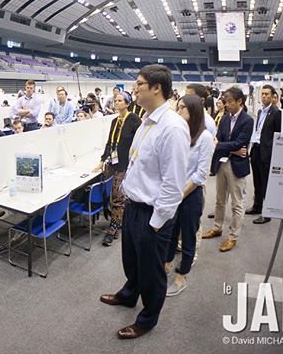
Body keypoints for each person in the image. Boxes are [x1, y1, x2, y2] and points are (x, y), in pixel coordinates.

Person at [100, 65, 189, 340]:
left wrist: (156, 222)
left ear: (156, 88)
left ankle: (147, 318)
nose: (133, 88)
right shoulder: (147, 120)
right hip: (134, 206)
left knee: (152, 272)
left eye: (139, 84)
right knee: (133, 261)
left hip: (153, 214)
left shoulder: (172, 128)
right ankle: (128, 295)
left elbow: (174, 185)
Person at [164, 94, 214, 296]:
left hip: (190, 194)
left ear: (193, 111)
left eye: (182, 108)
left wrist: (179, 195)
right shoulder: (179, 133)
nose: (178, 112)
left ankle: (181, 277)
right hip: (175, 191)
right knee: (170, 233)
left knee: (188, 237)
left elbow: (200, 174)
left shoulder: (205, 137)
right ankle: (166, 266)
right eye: (178, 107)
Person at [202, 86, 254, 252]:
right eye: (226, 101)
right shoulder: (224, 118)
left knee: (236, 203)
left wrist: (225, 146)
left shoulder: (247, 120)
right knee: (219, 199)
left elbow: (240, 143)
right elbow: (217, 140)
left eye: (230, 101)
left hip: (237, 166)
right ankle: (217, 227)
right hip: (222, 163)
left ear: (240, 101)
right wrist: (232, 149)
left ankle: (233, 237)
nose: (227, 104)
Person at [93, 92, 142, 246]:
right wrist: (101, 162)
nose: (116, 103)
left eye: (120, 100)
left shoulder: (134, 120)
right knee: (110, 194)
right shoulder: (114, 121)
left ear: (127, 103)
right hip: (112, 163)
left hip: (125, 164)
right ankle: (117, 219)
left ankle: (113, 229)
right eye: (115, 100)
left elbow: (139, 142)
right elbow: (110, 143)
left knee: (117, 197)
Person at [246, 85, 281, 224]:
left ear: (273, 97)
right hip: (256, 149)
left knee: (266, 183)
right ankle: (257, 206)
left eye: (267, 94)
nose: (264, 96)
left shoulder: (276, 113)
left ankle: (267, 213)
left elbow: (278, 135)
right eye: (263, 94)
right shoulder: (260, 112)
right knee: (257, 181)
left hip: (267, 152)